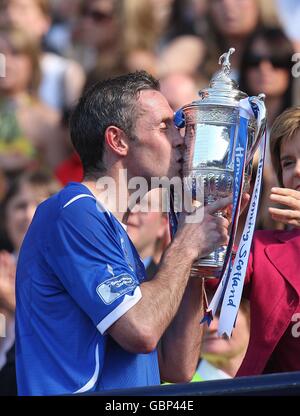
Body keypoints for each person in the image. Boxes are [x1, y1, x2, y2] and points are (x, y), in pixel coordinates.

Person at [15, 71, 231, 395]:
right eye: (164, 126)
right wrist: (186, 245)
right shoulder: (73, 212)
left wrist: (196, 255)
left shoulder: (116, 234)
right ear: (118, 140)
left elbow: (178, 367)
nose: (180, 138)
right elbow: (141, 330)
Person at [235, 106, 300, 376]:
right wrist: (220, 221)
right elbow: (211, 280)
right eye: (288, 163)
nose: (297, 171)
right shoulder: (263, 247)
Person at [0, 170, 61, 395]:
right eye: (20, 205)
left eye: (39, 204)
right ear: (5, 216)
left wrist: (14, 303)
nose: (28, 214)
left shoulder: (69, 270)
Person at [194, 299, 250, 381]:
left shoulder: (273, 379)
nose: (210, 327)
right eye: (200, 316)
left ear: (250, 317)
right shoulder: (175, 390)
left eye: (223, 313)